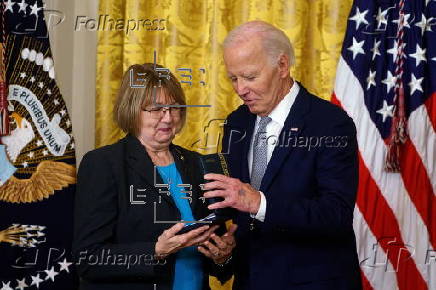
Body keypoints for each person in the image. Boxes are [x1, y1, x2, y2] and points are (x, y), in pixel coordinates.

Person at [203, 21, 362, 289]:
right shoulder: (236, 122)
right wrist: (224, 251)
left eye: (250, 77)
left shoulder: (330, 123)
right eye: (233, 78)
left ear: (282, 66)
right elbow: (235, 208)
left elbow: (336, 214)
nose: (240, 89)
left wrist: (258, 203)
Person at [73, 63, 236, 290]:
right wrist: (156, 251)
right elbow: (88, 259)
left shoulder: (196, 163)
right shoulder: (104, 164)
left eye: (174, 108)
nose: (168, 118)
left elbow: (216, 261)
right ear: (131, 109)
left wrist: (222, 256)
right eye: (156, 108)